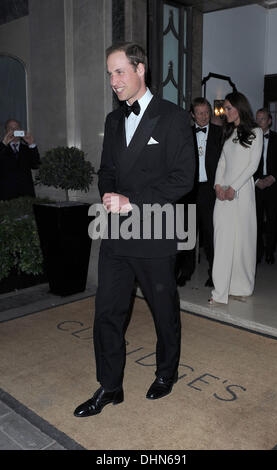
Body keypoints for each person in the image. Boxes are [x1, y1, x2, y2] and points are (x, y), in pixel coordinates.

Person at [74, 42, 195, 417]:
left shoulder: (173, 117)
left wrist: (132, 201)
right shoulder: (113, 121)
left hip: (156, 231)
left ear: (141, 69)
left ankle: (166, 373)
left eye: (119, 71)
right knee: (107, 312)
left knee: (163, 311)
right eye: (109, 73)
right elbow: (107, 168)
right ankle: (110, 386)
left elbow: (183, 179)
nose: (113, 80)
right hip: (116, 233)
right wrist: (110, 194)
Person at [209, 92, 263, 305]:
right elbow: (222, 162)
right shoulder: (229, 133)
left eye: (229, 108)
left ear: (240, 108)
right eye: (225, 108)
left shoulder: (256, 132)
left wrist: (234, 187)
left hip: (242, 193)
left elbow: (253, 165)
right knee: (222, 239)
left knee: (242, 241)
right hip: (222, 193)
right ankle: (220, 290)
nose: (226, 112)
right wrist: (218, 186)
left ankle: (240, 285)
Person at [176, 97, 222, 287]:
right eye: (200, 113)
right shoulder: (184, 134)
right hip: (189, 191)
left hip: (210, 191)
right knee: (187, 234)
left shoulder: (221, 133)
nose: (204, 116)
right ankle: (185, 272)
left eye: (206, 112)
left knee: (211, 234)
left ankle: (215, 274)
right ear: (192, 115)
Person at [254, 108, 277, 264]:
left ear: (270, 121)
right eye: (257, 119)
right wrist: (256, 180)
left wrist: (273, 178)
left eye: (263, 119)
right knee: (256, 221)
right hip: (256, 186)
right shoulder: (250, 139)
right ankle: (258, 252)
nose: (259, 122)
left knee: (273, 221)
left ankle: (270, 252)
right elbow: (245, 164)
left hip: (274, 186)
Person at [0, 119, 40, 200]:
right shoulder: (2, 148)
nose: (14, 130)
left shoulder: (27, 148)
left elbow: (36, 165)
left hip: (26, 194)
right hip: (6, 194)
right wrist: (4, 143)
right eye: (11, 128)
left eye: (17, 128)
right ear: (6, 131)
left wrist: (31, 144)